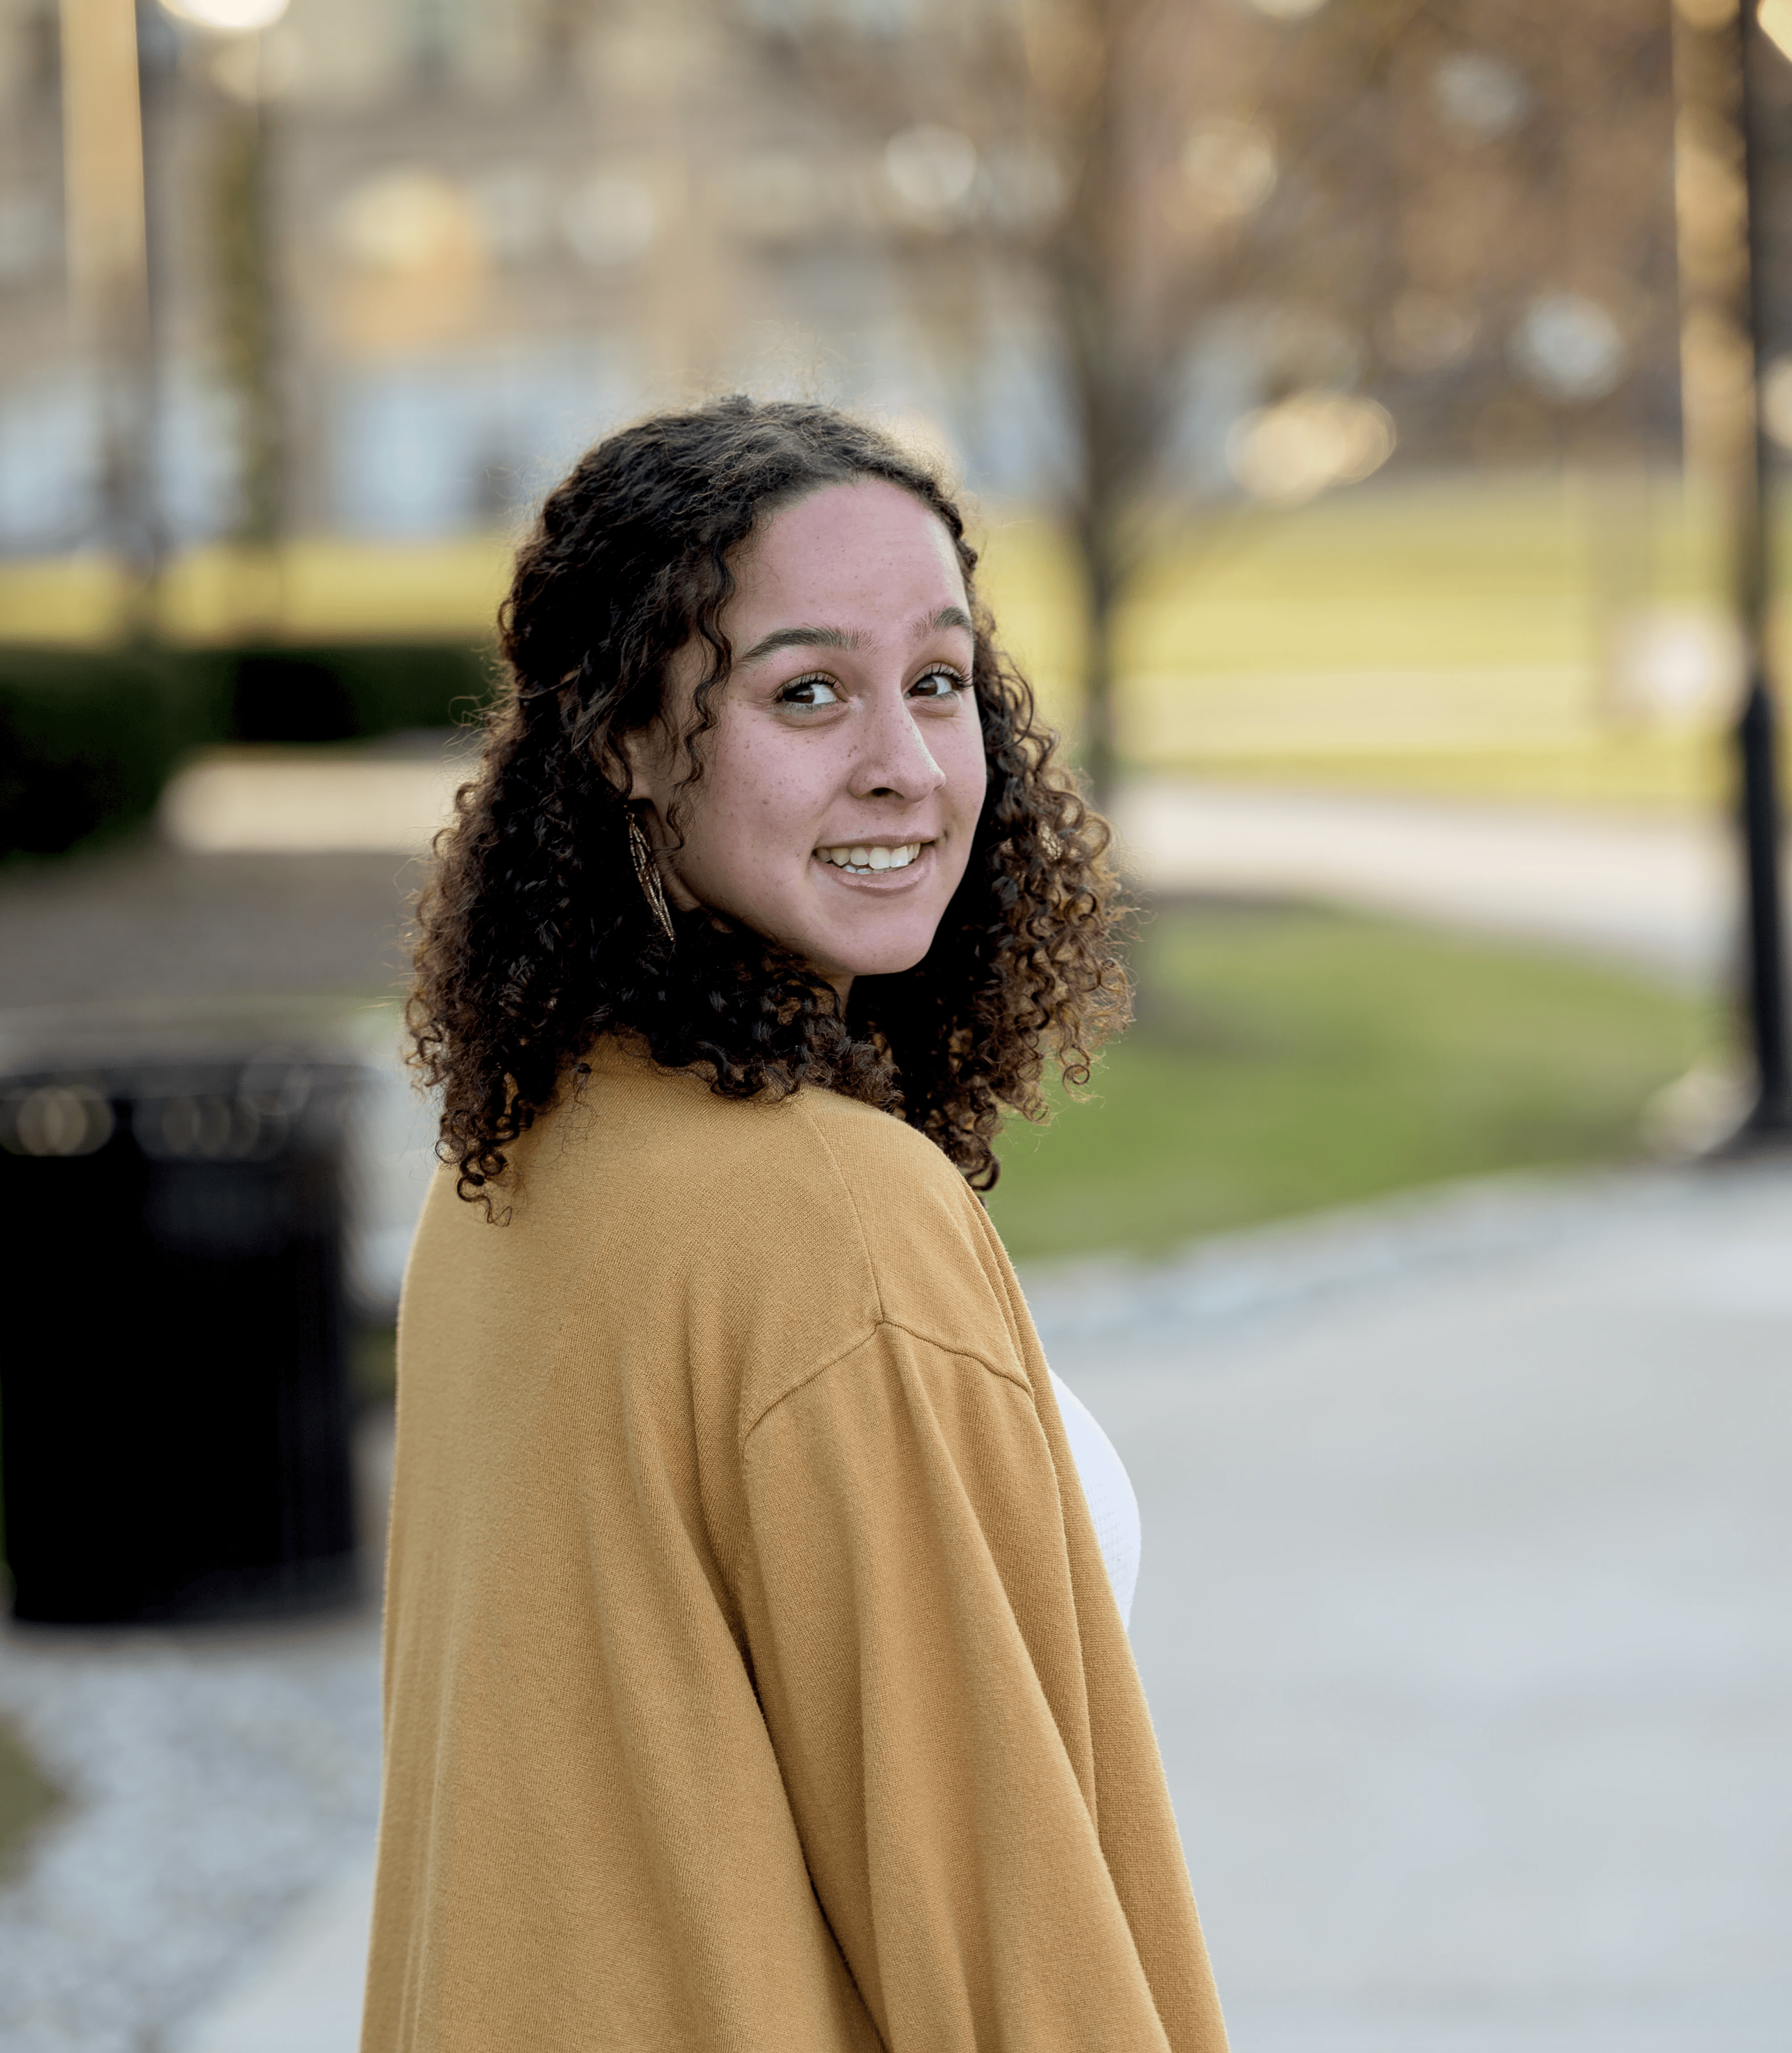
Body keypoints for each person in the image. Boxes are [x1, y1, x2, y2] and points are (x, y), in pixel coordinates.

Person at [362, 397, 1230, 2052]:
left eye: (940, 682)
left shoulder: (523, 1163)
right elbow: (989, 1910)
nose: (902, 761)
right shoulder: (820, 1210)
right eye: (806, 691)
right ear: (622, 737)